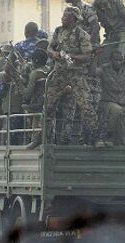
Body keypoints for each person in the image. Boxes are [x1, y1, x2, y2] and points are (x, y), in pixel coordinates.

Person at [44, 7, 99, 146]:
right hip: (59, 73)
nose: (62, 18)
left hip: (76, 74)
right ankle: (44, 138)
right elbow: (49, 48)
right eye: (63, 16)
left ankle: (97, 138)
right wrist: (54, 54)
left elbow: (87, 56)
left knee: (86, 106)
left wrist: (70, 55)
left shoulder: (82, 35)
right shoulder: (58, 31)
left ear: (74, 18)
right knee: (49, 106)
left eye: (66, 16)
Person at [23, 49, 51, 148]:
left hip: (37, 108)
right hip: (50, 105)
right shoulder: (50, 70)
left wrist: (19, 80)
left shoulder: (35, 73)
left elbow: (27, 94)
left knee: (35, 132)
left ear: (35, 61)